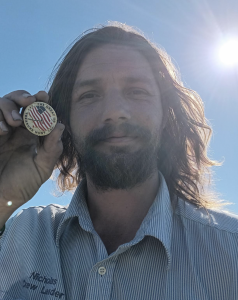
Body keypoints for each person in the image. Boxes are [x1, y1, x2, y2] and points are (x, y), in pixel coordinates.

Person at [0, 22, 237, 300]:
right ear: (65, 121)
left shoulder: (230, 249)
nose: (114, 112)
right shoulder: (20, 232)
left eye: (137, 91)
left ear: (165, 115)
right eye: (89, 95)